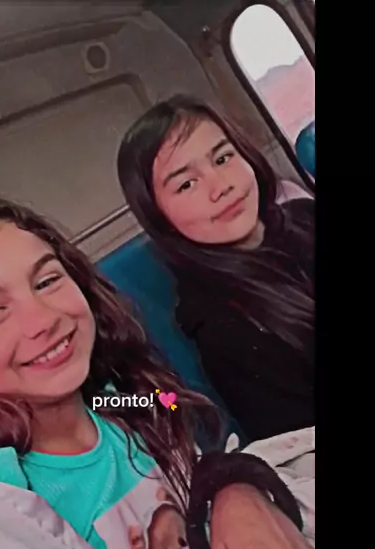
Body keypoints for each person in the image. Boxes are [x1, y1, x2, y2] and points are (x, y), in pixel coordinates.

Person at [0, 193, 314, 549]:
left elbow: (186, 428)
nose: (42, 320)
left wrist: (228, 483)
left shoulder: (118, 403)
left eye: (46, 281)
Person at [117, 95, 314, 442]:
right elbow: (300, 446)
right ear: (160, 216)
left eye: (223, 158)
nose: (221, 186)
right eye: (186, 184)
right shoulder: (224, 327)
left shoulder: (304, 216)